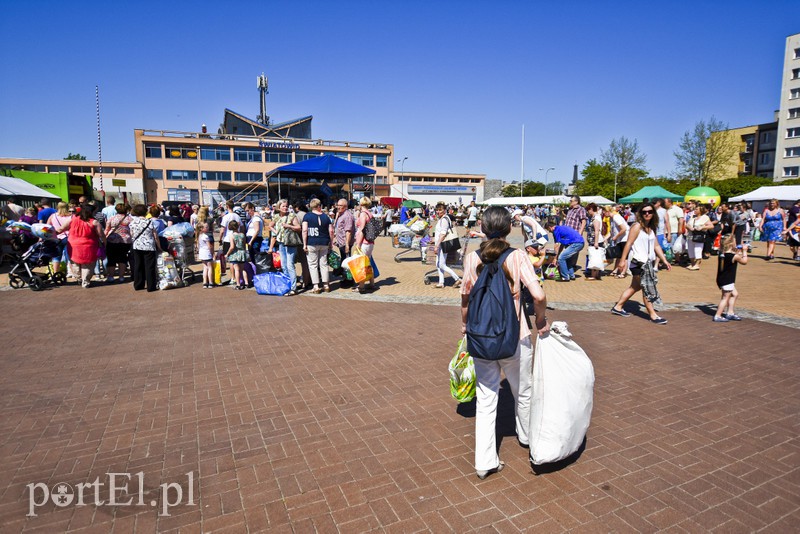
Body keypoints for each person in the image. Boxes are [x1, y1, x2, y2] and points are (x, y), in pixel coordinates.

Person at [459, 206, 548, 479]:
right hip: (516, 336)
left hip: (482, 336)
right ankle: (526, 437)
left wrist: (465, 326)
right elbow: (538, 294)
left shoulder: (472, 258)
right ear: (510, 228)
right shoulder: (518, 257)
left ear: (483, 228)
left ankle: (485, 461)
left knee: (486, 400)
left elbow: (465, 298)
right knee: (523, 391)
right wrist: (541, 321)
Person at [610, 203, 671, 324]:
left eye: (649, 211)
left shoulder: (651, 228)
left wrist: (664, 260)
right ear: (640, 214)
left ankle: (618, 307)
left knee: (635, 286)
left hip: (648, 263)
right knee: (646, 287)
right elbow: (628, 243)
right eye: (644, 212)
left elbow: (656, 245)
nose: (647, 214)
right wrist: (622, 261)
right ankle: (653, 315)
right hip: (638, 262)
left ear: (653, 213)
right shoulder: (637, 226)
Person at [64, 204, 106, 288]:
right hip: (89, 246)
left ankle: (78, 278)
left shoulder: (73, 219)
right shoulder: (94, 222)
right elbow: (101, 235)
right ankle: (85, 281)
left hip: (73, 245)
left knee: (75, 263)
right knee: (88, 265)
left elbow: (61, 228)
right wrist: (105, 243)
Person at [713, 233, 748, 322]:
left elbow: (732, 254)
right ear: (732, 243)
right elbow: (744, 261)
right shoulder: (734, 256)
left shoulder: (722, 253)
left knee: (735, 294)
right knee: (725, 298)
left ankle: (730, 313)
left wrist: (737, 251)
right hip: (727, 280)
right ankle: (718, 315)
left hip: (723, 278)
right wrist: (744, 251)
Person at [269, 199, 301, 295]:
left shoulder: (291, 216)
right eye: (283, 206)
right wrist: (276, 232)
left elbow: (298, 228)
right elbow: (270, 225)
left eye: (286, 206)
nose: (285, 208)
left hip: (290, 243)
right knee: (283, 265)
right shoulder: (276, 217)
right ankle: (287, 284)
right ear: (279, 207)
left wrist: (289, 226)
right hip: (281, 243)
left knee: (290, 264)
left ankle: (293, 288)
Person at [302, 198, 334, 293]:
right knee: (324, 264)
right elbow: (331, 231)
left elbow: (304, 230)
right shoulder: (326, 217)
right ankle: (326, 285)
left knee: (313, 265)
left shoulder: (307, 216)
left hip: (311, 242)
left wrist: (304, 244)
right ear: (319, 206)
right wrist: (331, 243)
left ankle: (316, 286)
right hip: (324, 242)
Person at [129, 204, 162, 292]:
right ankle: (151, 286)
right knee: (150, 266)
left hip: (137, 246)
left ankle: (138, 284)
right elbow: (155, 236)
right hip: (149, 246)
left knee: (138, 265)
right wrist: (159, 247)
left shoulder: (132, 222)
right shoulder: (149, 222)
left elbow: (132, 234)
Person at [432, 202, 462, 289]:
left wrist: (437, 245)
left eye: (440, 210)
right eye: (437, 210)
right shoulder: (442, 219)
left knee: (441, 264)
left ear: (444, 210)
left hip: (442, 244)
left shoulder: (444, 219)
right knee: (438, 264)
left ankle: (457, 278)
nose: (438, 212)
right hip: (440, 243)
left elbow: (443, 233)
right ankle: (441, 282)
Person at [354, 196, 377, 293]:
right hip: (370, 242)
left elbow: (361, 229)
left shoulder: (363, 214)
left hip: (364, 242)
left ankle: (361, 286)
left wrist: (358, 243)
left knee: (361, 264)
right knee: (368, 263)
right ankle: (372, 283)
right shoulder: (370, 214)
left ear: (361, 204)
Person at [104, 203, 132, 283]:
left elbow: (107, 230)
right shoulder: (129, 219)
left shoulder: (112, 218)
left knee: (111, 258)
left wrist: (104, 238)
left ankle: (111, 276)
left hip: (112, 241)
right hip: (125, 241)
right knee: (122, 258)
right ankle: (121, 276)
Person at [47, 202, 72, 275]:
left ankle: (56, 273)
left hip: (56, 238)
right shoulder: (71, 216)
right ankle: (72, 273)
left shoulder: (52, 216)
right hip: (69, 237)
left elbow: (47, 226)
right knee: (70, 256)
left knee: (56, 256)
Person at [223, 220, 249, 290]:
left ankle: (238, 284)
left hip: (235, 253)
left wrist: (227, 254)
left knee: (236, 269)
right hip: (242, 252)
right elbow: (244, 245)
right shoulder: (242, 235)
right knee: (243, 269)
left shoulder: (231, 236)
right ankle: (246, 283)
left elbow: (232, 247)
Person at [686, 204, 713, 270]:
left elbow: (711, 226)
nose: (695, 210)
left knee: (698, 249)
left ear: (701, 210)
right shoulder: (692, 217)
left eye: (696, 209)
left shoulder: (705, 217)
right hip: (690, 235)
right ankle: (692, 263)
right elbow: (687, 225)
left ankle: (697, 264)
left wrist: (702, 227)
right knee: (690, 249)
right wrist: (690, 227)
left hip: (699, 236)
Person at [607, 206, 630, 278]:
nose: (603, 214)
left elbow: (624, 229)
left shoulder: (616, 217)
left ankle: (623, 273)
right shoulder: (611, 219)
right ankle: (615, 270)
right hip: (619, 239)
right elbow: (612, 231)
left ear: (608, 211)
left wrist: (616, 237)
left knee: (625, 256)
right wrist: (606, 238)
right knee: (618, 256)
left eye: (604, 212)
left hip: (625, 239)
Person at [584, 203, 605, 281]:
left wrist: (596, 242)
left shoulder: (596, 218)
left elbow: (596, 231)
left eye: (588, 210)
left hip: (596, 241)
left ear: (591, 209)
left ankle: (593, 275)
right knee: (597, 257)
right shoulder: (596, 217)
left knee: (594, 258)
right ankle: (596, 274)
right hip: (595, 240)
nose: (588, 212)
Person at [195, 221, 215, 289]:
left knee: (205, 268)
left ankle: (205, 282)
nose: (208, 228)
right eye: (206, 227)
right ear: (202, 229)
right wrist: (212, 253)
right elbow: (209, 246)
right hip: (207, 252)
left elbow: (198, 246)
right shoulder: (205, 236)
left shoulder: (199, 236)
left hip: (202, 253)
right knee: (209, 267)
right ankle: (211, 282)